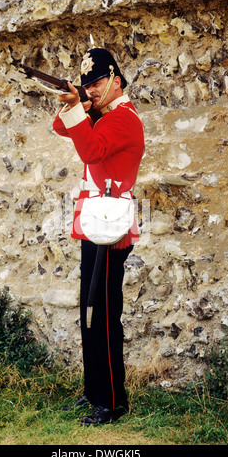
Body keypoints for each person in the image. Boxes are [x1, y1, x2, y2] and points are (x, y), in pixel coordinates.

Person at [53, 47, 145, 425]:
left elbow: (90, 150)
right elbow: (61, 127)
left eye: (97, 83)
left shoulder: (122, 119)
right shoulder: (102, 115)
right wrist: (77, 103)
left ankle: (111, 401)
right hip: (95, 220)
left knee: (104, 313)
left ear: (116, 81)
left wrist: (82, 108)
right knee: (89, 310)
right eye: (87, 84)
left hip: (110, 225)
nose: (91, 89)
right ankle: (94, 392)